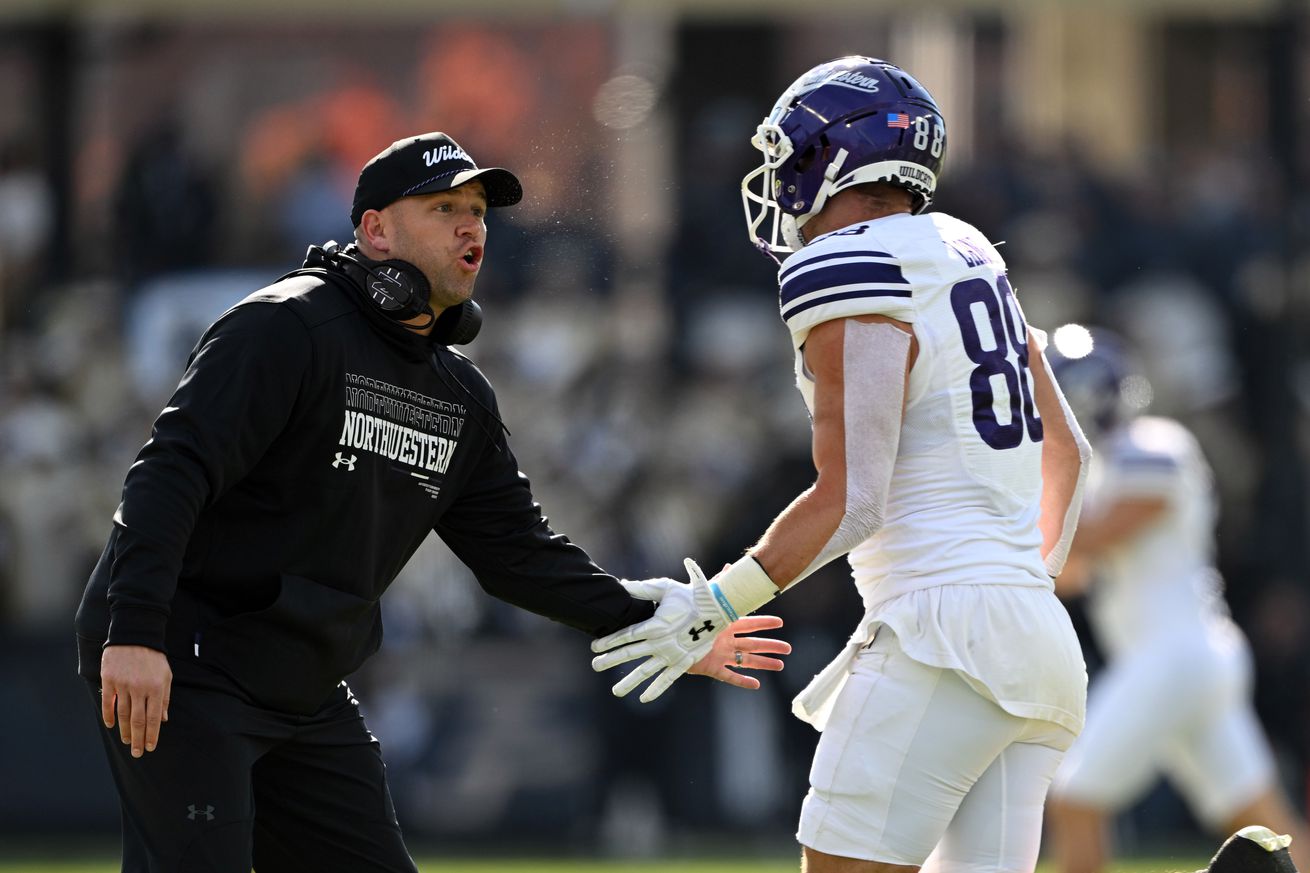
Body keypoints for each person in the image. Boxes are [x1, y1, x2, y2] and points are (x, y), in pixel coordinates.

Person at [74, 131, 790, 873]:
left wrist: (649, 612)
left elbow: (518, 554)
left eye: (478, 210)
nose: (471, 225)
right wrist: (136, 630)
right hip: (188, 658)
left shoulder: (459, 395)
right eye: (444, 206)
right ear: (375, 230)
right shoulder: (286, 325)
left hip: (303, 686)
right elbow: (169, 471)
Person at [593, 56, 1091, 873]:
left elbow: (853, 498)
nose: (779, 179)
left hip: (940, 635)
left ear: (832, 158)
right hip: (1037, 636)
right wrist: (1012, 587)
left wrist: (713, 605)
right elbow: (1068, 453)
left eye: (789, 156)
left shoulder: (846, 264)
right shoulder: (968, 248)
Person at [1041, 325, 1310, 873]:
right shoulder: (1104, 470)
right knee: (1261, 816)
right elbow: (1067, 573)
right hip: (1190, 657)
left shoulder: (1151, 444)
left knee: (1074, 796)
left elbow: (1094, 534)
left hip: (1175, 655)